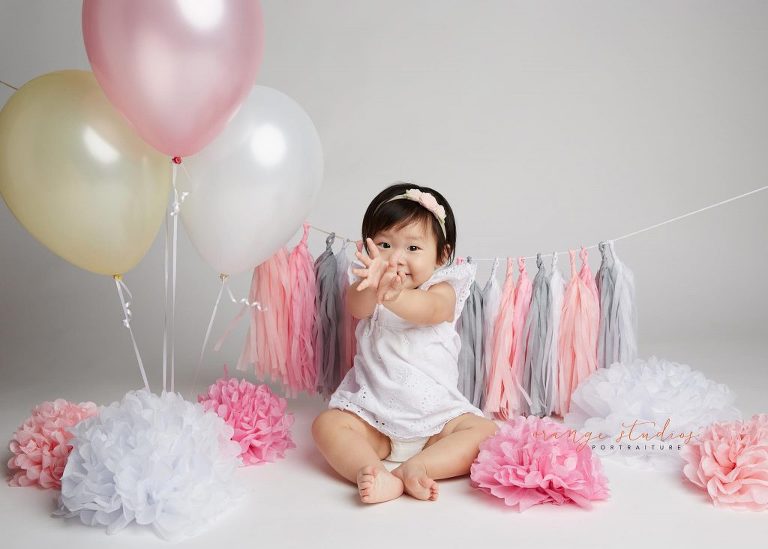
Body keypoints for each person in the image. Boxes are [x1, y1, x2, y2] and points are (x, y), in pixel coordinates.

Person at [311, 183, 498, 504]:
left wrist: (394, 295)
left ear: (441, 254)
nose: (396, 258)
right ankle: (371, 471)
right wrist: (374, 287)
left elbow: (429, 311)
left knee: (486, 433)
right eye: (384, 244)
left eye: (413, 248)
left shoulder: (444, 288)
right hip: (374, 419)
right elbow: (356, 306)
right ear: (368, 248)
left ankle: (419, 467)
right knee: (326, 425)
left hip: (438, 421)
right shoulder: (369, 286)